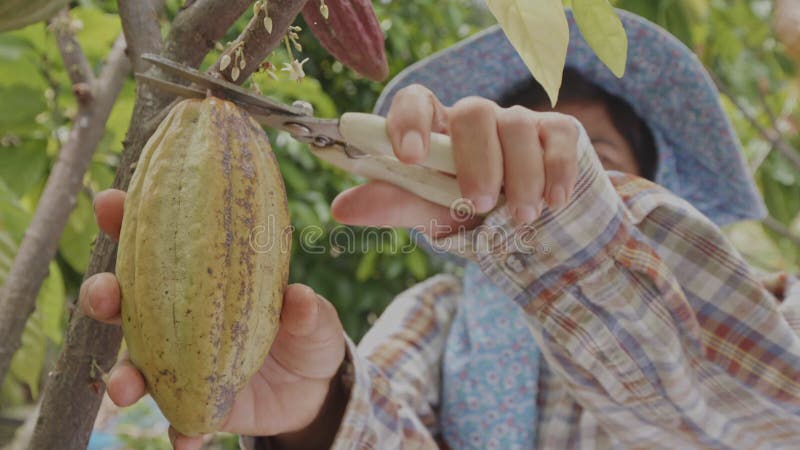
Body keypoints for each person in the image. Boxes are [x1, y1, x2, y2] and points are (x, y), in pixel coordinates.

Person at [80, 10, 800, 450]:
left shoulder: (776, 315)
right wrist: (313, 418)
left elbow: (762, 421)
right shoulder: (433, 321)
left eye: (597, 163)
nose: (551, 173)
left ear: (651, 188)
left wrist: (579, 227)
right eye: (538, 148)